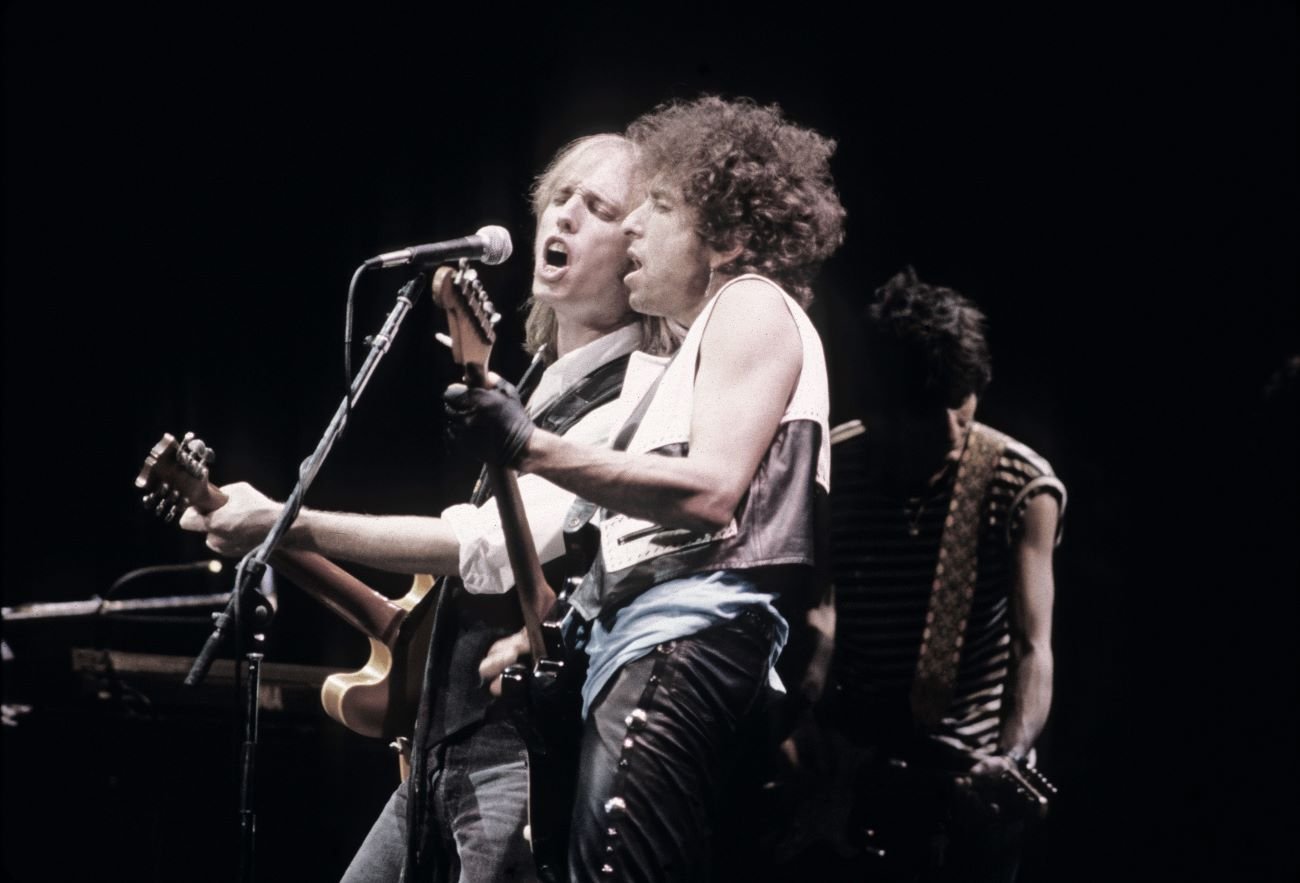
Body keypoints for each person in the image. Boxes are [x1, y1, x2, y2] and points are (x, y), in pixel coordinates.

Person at [180, 132, 675, 882]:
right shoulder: (540, 384)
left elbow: (487, 549)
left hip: (517, 752)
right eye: (560, 196)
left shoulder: (636, 391)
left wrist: (286, 522)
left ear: (638, 248)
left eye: (599, 208)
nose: (565, 215)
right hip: (441, 744)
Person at [446, 95, 846, 881]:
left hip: (678, 651)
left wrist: (529, 443)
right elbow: (650, 544)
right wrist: (555, 629)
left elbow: (710, 494)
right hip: (645, 653)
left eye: (658, 205)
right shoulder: (689, 361)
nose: (632, 225)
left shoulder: (749, 302)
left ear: (727, 236)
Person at [780, 267, 1064, 882]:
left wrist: (1011, 756)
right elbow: (818, 610)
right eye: (933, 412)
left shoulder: (1023, 485)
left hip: (964, 777)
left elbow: (1032, 646)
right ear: (880, 409)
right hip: (850, 762)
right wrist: (801, 717)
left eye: (963, 404)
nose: (955, 428)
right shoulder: (833, 464)